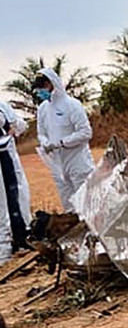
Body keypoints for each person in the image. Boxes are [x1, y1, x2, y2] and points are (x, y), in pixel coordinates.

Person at [33, 68, 94, 211]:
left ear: (53, 83)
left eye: (44, 86)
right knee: (68, 205)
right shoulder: (42, 109)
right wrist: (45, 143)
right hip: (57, 164)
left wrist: (62, 143)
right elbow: (41, 133)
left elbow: (85, 132)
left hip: (78, 161)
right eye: (39, 88)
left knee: (86, 203)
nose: (41, 91)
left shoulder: (72, 105)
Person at [0, 100, 31, 258]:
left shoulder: (2, 106)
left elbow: (21, 125)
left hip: (7, 156)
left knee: (16, 196)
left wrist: (12, 127)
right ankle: (4, 248)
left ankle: (22, 236)